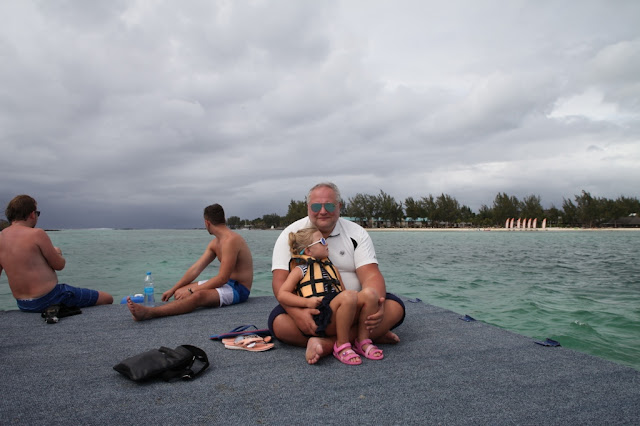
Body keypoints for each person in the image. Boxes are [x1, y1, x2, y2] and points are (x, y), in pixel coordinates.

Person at [270, 182, 406, 364]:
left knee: (394, 307)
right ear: (308, 207)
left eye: (329, 206)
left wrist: (377, 305)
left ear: (339, 206)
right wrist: (296, 313)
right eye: (316, 206)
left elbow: (371, 275)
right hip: (311, 309)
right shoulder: (291, 235)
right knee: (279, 323)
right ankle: (366, 336)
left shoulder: (357, 233)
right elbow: (279, 282)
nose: (322, 211)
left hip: (353, 305)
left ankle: (326, 345)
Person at [127, 203, 253, 321]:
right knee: (179, 292)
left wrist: (192, 291)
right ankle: (176, 305)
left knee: (197, 296)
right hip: (227, 284)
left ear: (207, 222)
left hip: (239, 289)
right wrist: (173, 289)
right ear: (223, 219)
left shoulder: (231, 241)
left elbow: (222, 279)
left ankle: (150, 312)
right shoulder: (215, 243)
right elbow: (195, 269)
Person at [277, 226, 383, 365]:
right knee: (348, 296)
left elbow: (343, 292)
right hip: (321, 315)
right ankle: (341, 344)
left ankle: (362, 341)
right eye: (321, 241)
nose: (326, 243)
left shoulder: (332, 269)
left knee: (370, 294)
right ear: (308, 251)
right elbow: (282, 294)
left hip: (337, 309)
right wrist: (306, 303)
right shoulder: (300, 270)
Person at [0, 195, 113, 312]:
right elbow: (59, 265)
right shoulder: (36, 234)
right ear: (32, 214)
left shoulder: (1, 237)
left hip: (23, 304)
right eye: (37, 213)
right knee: (107, 298)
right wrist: (58, 252)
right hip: (50, 298)